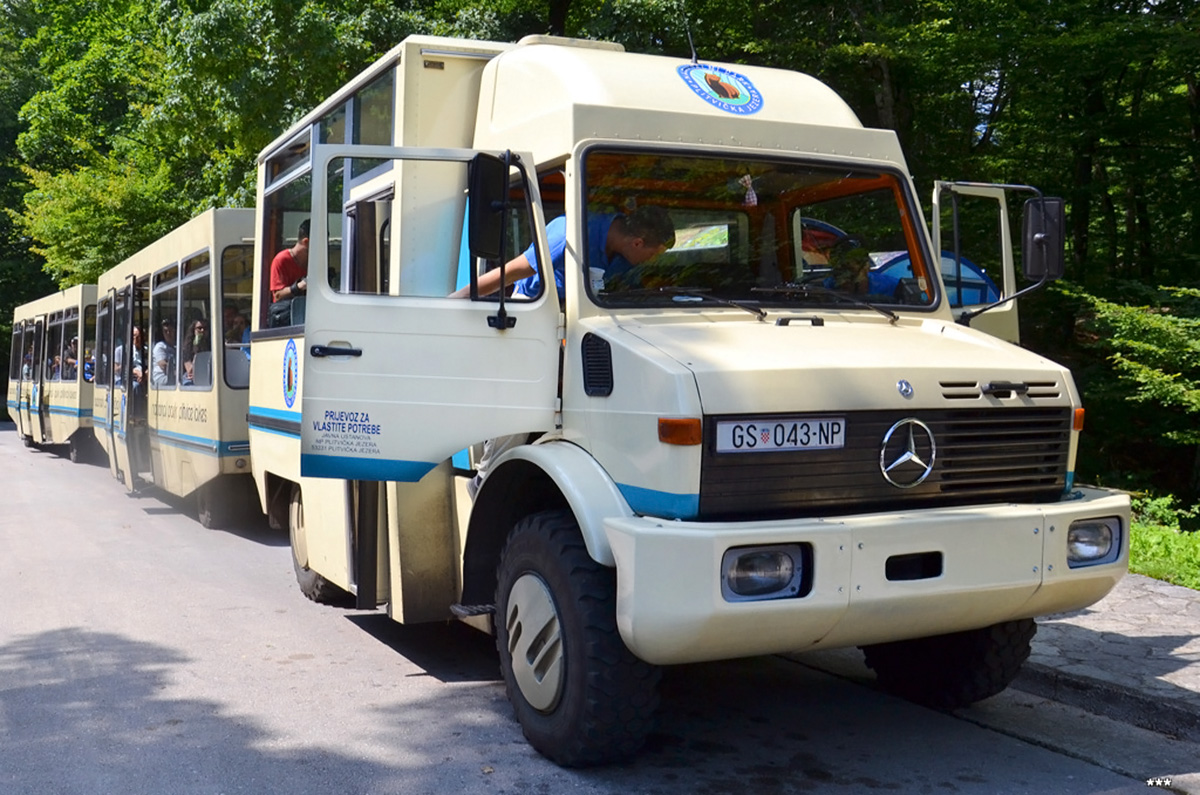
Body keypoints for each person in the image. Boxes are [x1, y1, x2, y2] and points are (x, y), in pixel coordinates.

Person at [451, 206, 675, 300]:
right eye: (653, 256)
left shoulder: (626, 258)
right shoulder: (567, 235)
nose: (651, 262)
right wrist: (450, 305)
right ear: (637, 243)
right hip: (535, 305)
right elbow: (507, 274)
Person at [269, 219, 310, 326]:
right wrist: (298, 286)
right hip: (288, 322)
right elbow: (277, 295)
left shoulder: (315, 262)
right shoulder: (282, 260)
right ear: (306, 242)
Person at [181, 318, 211, 386]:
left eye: (205, 328)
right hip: (191, 379)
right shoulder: (187, 348)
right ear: (193, 330)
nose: (202, 330)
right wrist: (197, 346)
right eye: (199, 328)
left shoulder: (212, 346)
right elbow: (190, 370)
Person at [151, 318, 176, 387]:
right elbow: (164, 366)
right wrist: (179, 374)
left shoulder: (177, 348)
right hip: (161, 378)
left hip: (173, 377)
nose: (168, 333)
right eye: (165, 331)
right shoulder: (160, 346)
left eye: (170, 330)